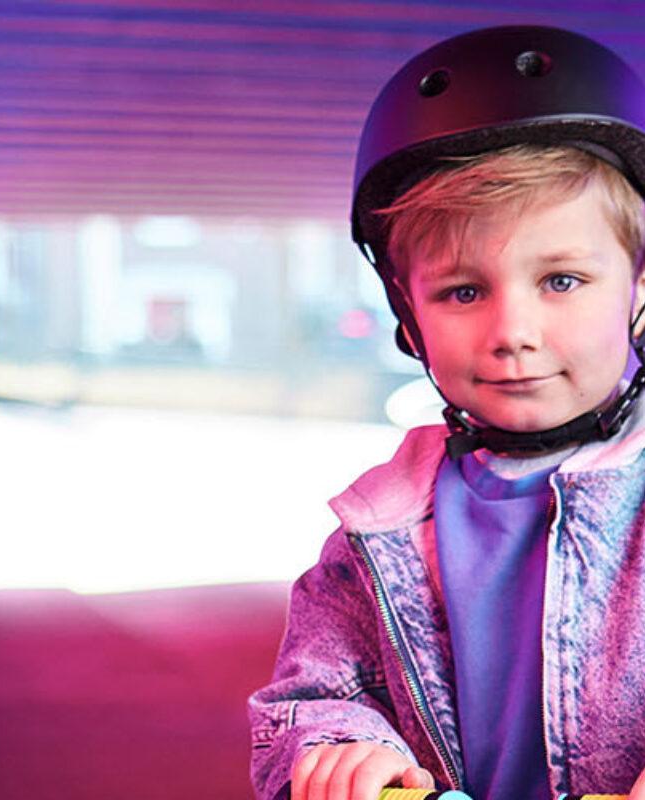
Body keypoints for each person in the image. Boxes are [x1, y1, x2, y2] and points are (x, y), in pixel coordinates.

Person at [249, 25, 645, 800]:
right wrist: (340, 749)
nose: (512, 335)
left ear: (639, 287)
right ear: (407, 316)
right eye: (463, 292)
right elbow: (311, 701)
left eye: (561, 280)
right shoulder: (381, 525)